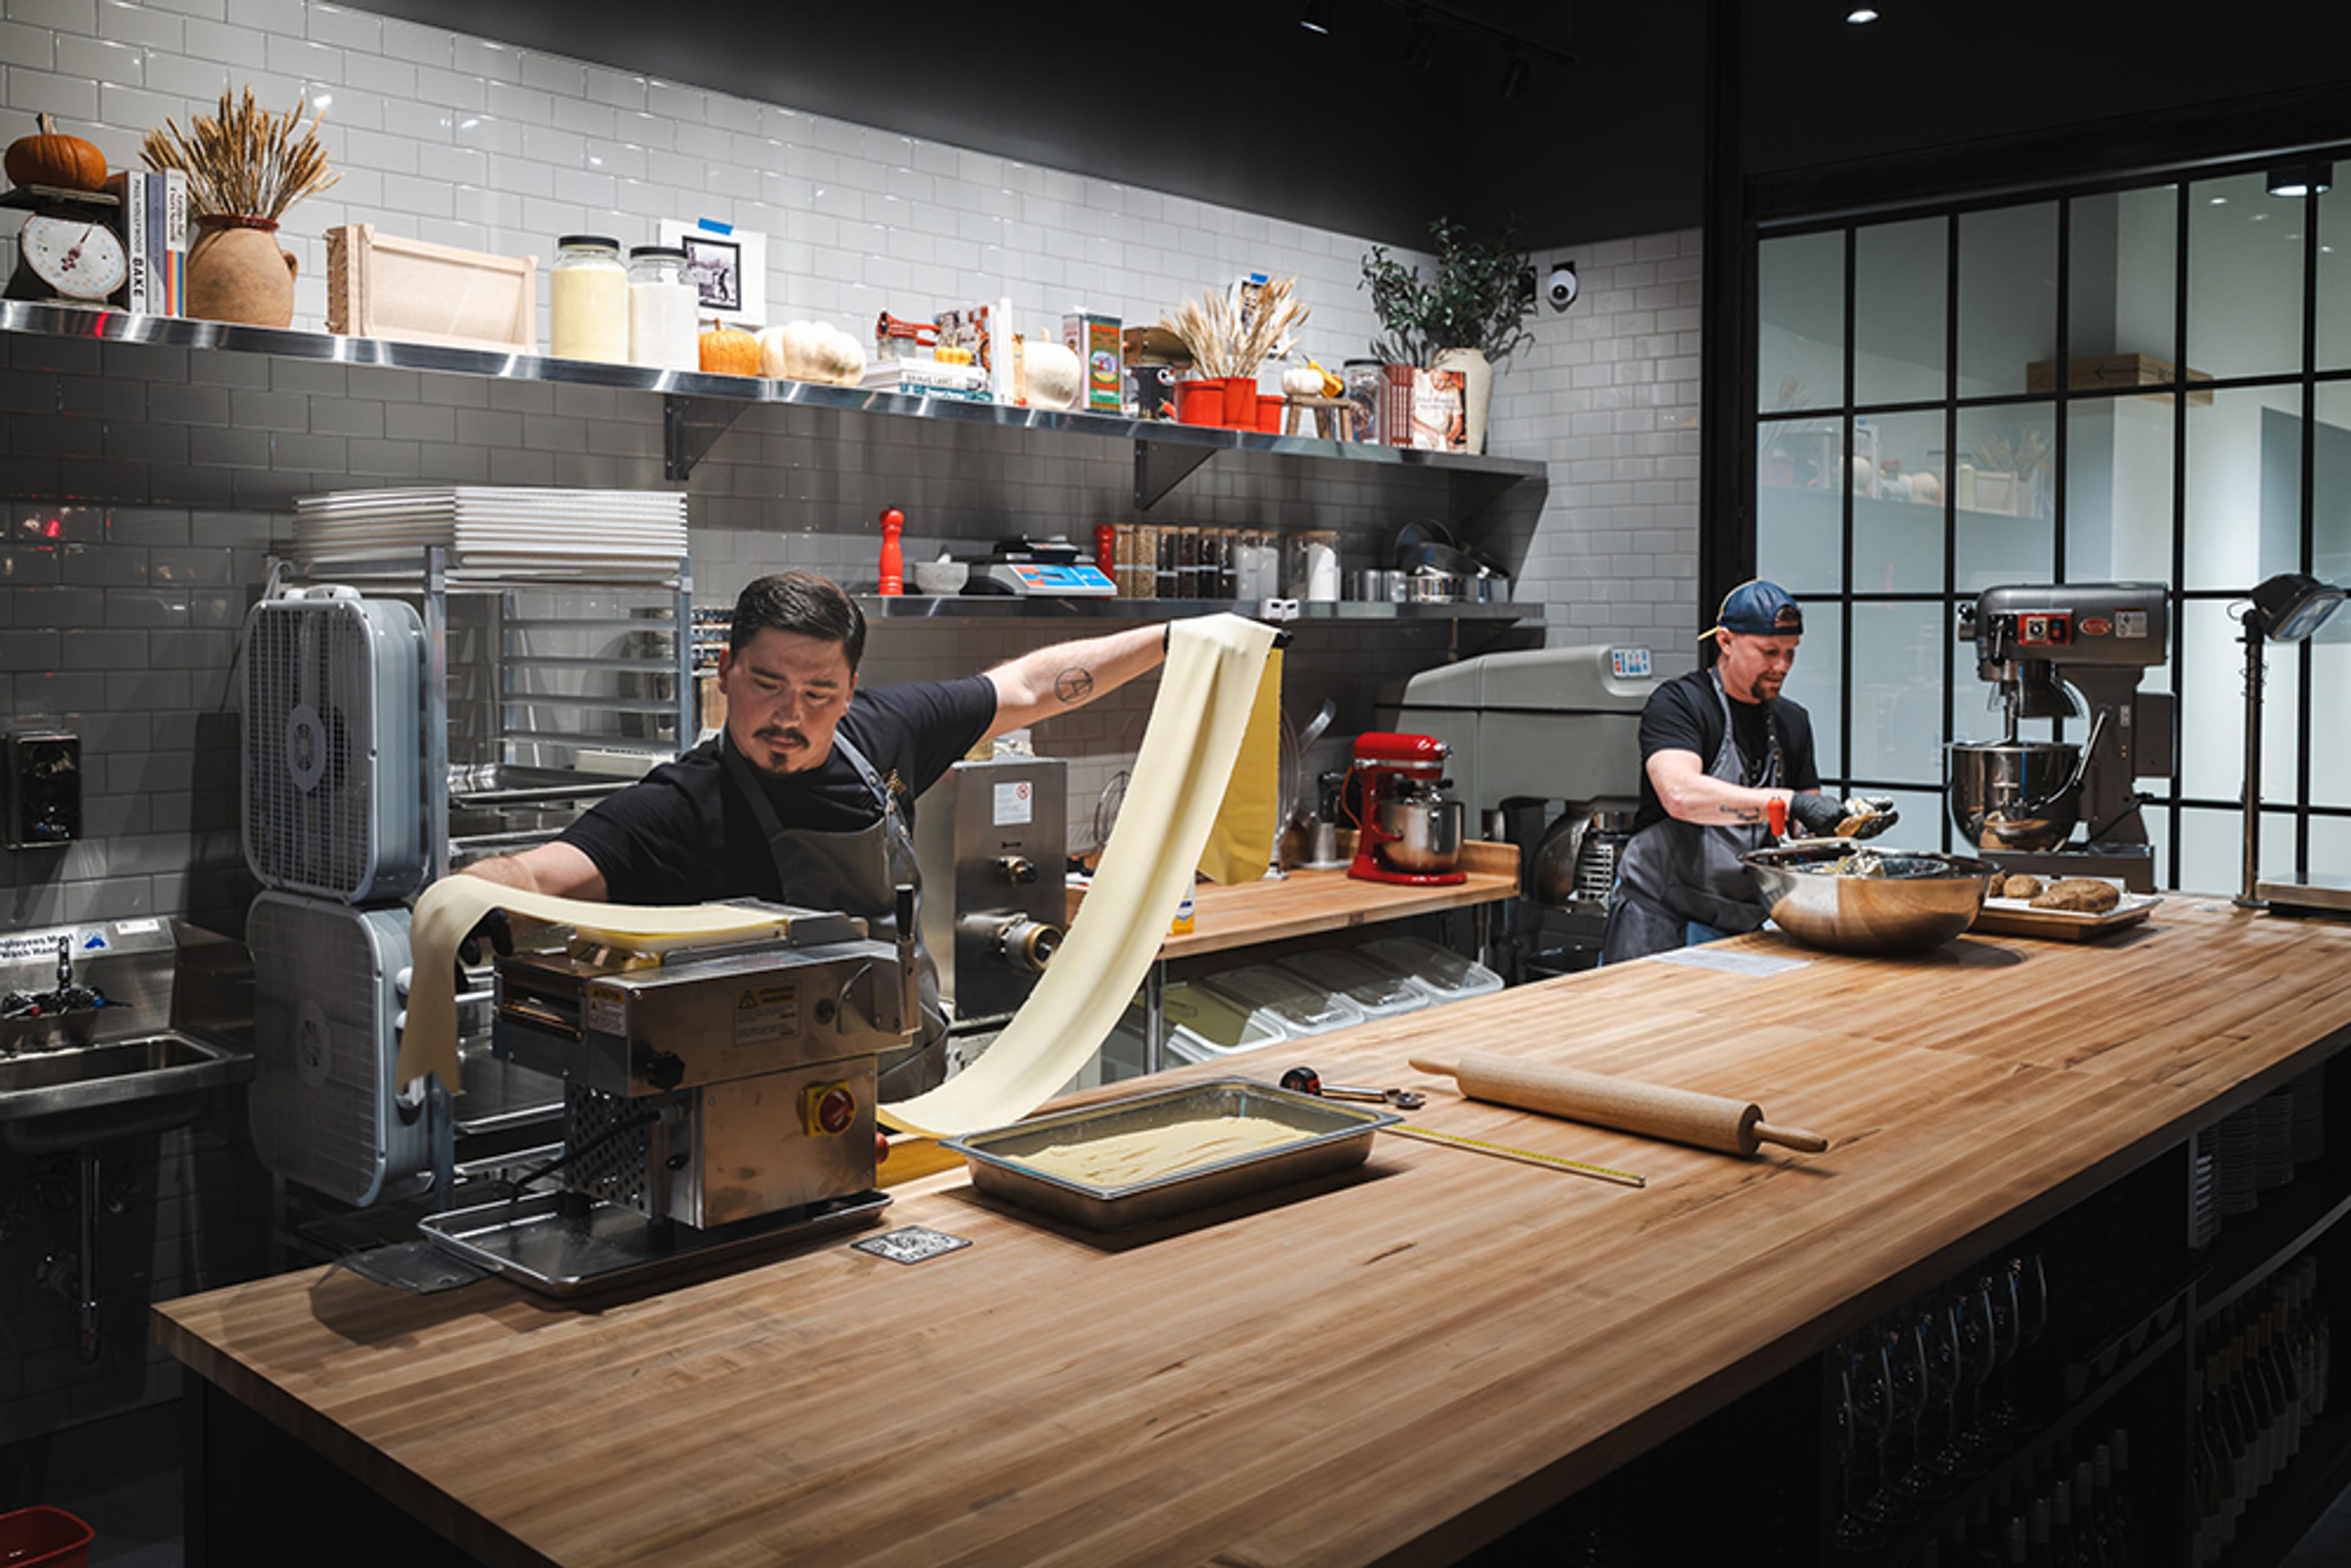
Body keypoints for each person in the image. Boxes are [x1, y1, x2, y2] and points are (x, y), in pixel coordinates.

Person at [461, 569, 1170, 1097]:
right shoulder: (681, 805)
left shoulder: (887, 734)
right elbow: (540, 873)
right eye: (766, 683)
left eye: (818, 692)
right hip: (758, 1117)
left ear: (852, 689)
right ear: (725, 673)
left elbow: (1029, 688)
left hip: (905, 1089)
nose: (788, 714)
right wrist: (469, 897)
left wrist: (1172, 641)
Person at [1599, 580, 1893, 964]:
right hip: (1658, 920)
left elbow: (1799, 829)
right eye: (1769, 652)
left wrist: (1840, 825)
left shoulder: (1793, 721)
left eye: (1791, 653)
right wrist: (1788, 802)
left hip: (1740, 928)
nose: (1782, 666)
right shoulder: (1680, 704)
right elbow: (1681, 796)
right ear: (1725, 641)